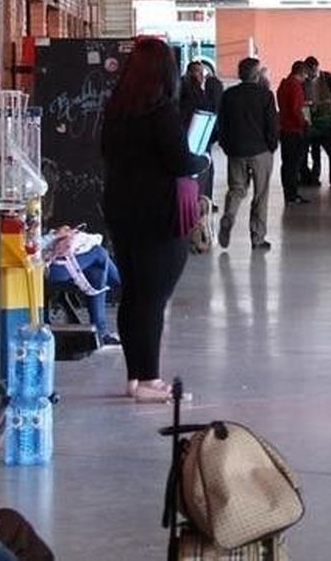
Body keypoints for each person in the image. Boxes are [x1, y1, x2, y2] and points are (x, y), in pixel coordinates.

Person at [100, 36, 207, 402]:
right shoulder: (161, 112)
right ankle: (149, 380)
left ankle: (135, 376)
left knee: (133, 292)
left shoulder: (116, 110)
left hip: (122, 209)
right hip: (159, 214)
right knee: (153, 296)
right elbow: (180, 161)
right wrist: (202, 159)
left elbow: (106, 153)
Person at [216, 57, 279, 252]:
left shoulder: (229, 95)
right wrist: (272, 146)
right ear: (256, 75)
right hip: (260, 151)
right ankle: (257, 238)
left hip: (236, 150)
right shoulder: (265, 95)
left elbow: (222, 123)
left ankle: (229, 216)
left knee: (236, 189)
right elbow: (272, 124)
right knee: (261, 194)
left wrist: (226, 146)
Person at [42, 226, 121, 347]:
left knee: (96, 270)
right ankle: (101, 330)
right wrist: (58, 236)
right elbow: (37, 245)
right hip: (47, 268)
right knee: (99, 254)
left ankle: (101, 331)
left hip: (50, 262)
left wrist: (63, 234)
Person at [178, 60, 223, 200]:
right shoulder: (194, 93)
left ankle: (201, 198)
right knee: (204, 169)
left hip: (192, 135)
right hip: (197, 136)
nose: (202, 76)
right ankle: (203, 199)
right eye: (199, 72)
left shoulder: (185, 90)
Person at [276, 60, 310, 206]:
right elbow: (296, 109)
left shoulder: (283, 84)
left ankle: (288, 193)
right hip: (294, 130)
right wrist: (304, 124)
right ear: (301, 73)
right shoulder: (295, 86)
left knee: (287, 163)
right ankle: (292, 194)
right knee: (294, 164)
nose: (306, 78)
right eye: (305, 75)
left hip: (284, 129)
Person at [302, 56, 331, 186]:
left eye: (314, 70)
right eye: (310, 71)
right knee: (315, 151)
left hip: (326, 121)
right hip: (312, 122)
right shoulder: (304, 81)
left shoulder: (327, 78)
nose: (312, 73)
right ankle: (314, 177)